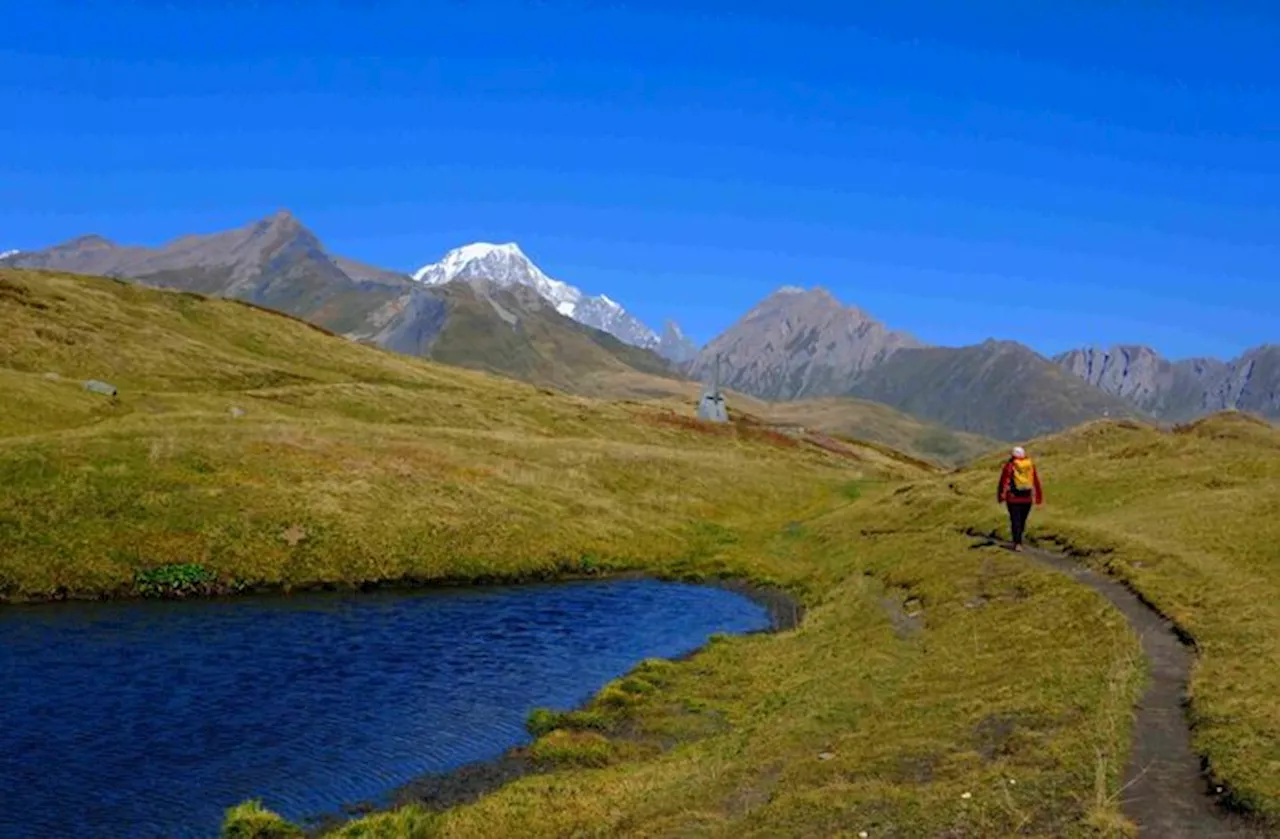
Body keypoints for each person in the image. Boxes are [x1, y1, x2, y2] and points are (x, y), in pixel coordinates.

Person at [997, 446, 1043, 551]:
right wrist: (1038, 497)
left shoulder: (1010, 466)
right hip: (1027, 498)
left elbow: (1004, 481)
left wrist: (1001, 496)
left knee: (1015, 520)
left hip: (1013, 498)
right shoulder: (1030, 465)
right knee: (1022, 520)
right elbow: (1035, 481)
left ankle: (1017, 543)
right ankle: (1019, 540)